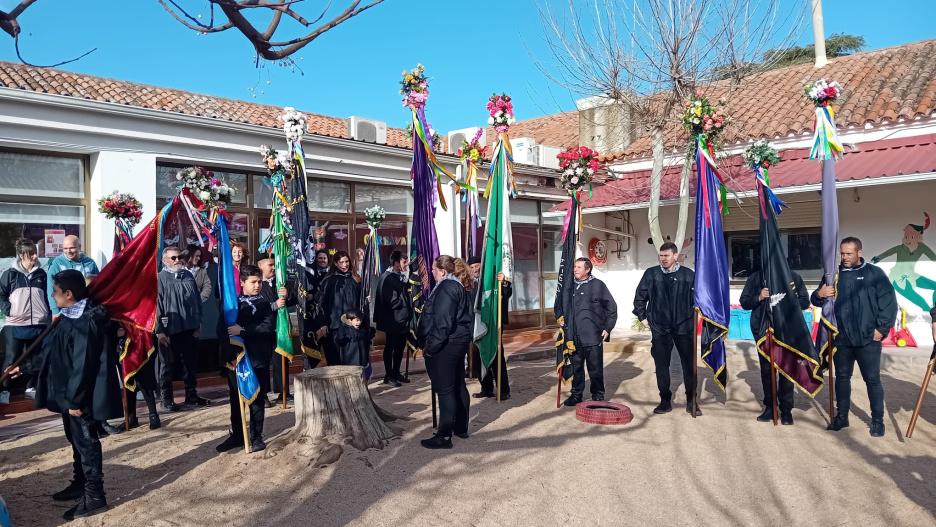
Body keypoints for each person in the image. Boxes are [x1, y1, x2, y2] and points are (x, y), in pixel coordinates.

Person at [7, 269, 122, 520]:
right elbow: (52, 350)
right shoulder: (68, 316)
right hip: (68, 391)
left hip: (81, 395)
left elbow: (84, 363)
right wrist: (23, 367)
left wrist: (76, 400)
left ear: (69, 294)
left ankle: (95, 495)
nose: (52, 295)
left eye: (55, 291)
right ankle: (80, 481)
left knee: (86, 440)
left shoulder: (88, 319)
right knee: (75, 438)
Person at [813, 236, 897, 437]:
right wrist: (819, 294)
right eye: (842, 253)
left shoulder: (874, 274)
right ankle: (842, 417)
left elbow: (889, 303)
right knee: (842, 378)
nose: (844, 257)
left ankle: (878, 421)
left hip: (868, 339)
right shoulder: (833, 275)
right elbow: (817, 300)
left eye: (849, 253)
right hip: (841, 340)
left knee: (872, 380)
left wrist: (881, 330)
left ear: (859, 252)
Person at [216, 265, 285, 453]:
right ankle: (238, 434)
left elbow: (267, 327)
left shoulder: (263, 304)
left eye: (260, 282)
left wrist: (244, 331)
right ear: (242, 282)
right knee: (236, 399)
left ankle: (256, 436)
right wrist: (229, 357)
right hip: (236, 361)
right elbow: (222, 331)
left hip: (257, 359)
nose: (257, 286)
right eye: (253, 282)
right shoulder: (232, 305)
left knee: (257, 398)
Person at [417, 255, 475, 449]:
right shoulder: (457, 285)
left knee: (446, 389)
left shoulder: (447, 287)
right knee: (457, 384)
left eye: (434, 269)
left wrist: (431, 348)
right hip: (456, 342)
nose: (432, 272)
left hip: (447, 344)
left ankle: (444, 435)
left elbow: (442, 322)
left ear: (442, 271)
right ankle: (460, 428)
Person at [739, 269, 810, 425]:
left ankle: (786, 410)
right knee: (766, 372)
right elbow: (744, 302)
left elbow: (805, 302)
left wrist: (790, 298)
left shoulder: (794, 277)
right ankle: (770, 407)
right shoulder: (755, 277)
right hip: (764, 333)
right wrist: (759, 297)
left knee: (786, 372)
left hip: (787, 332)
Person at [633, 243, 697, 415]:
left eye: (666, 256)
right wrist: (642, 317)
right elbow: (640, 296)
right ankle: (665, 400)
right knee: (661, 366)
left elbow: (698, 298)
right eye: (660, 256)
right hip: (660, 327)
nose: (662, 259)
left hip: (684, 326)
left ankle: (692, 400)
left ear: (675, 256)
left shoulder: (688, 275)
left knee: (689, 366)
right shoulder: (651, 274)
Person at [156, 246, 208, 411]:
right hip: (170, 329)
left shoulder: (188, 276)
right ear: (164, 260)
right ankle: (166, 399)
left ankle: (191, 395)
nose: (177, 260)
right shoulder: (160, 279)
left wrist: (199, 323)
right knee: (167, 365)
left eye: (178, 257)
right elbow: (157, 305)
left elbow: (197, 302)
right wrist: (160, 330)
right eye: (173, 258)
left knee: (190, 364)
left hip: (189, 328)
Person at [0, 238, 51, 405]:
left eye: (36, 253)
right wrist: (9, 309)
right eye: (31, 253)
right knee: (11, 358)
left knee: (35, 358)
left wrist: (47, 314)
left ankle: (31, 387)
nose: (36, 256)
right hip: (15, 323)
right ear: (22, 255)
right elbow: (1, 295)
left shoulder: (42, 274)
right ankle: (4, 391)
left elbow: (49, 295)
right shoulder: (10, 274)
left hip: (38, 323)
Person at [562, 257, 617, 406]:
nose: (575, 269)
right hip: (574, 335)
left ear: (588, 269)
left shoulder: (598, 285)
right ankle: (576, 395)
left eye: (579, 267)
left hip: (593, 334)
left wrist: (607, 328)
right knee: (576, 367)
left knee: (595, 368)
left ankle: (598, 395)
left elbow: (611, 307)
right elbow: (562, 305)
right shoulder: (569, 286)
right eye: (575, 267)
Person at [470, 264, 513, 401]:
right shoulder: (467, 282)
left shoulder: (492, 281)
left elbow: (505, 294)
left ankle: (504, 390)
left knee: (496, 356)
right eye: (471, 267)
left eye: (477, 266)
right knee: (478, 358)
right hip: (475, 326)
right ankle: (486, 389)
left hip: (493, 325)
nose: (475, 269)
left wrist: (504, 283)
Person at [258, 257, 297, 405]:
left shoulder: (280, 282)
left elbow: (293, 301)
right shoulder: (257, 283)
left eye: (275, 265)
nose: (273, 268)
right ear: (260, 265)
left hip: (280, 327)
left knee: (281, 360)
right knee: (263, 362)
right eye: (270, 265)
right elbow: (257, 306)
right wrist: (274, 305)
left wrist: (287, 295)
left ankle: (283, 391)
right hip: (264, 328)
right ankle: (263, 394)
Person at [314, 251, 361, 367]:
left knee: (351, 358)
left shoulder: (355, 279)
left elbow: (360, 300)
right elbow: (322, 303)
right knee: (335, 359)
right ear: (335, 263)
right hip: (335, 325)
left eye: (346, 262)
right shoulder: (329, 280)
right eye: (341, 262)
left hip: (352, 324)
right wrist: (324, 323)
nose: (344, 265)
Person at [375, 250, 411, 387]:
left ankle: (396, 371)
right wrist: (405, 301)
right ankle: (388, 374)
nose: (406, 264)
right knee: (390, 347)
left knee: (400, 346)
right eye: (404, 262)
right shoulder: (387, 278)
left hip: (401, 319)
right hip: (392, 319)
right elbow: (390, 300)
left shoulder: (398, 276)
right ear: (396, 263)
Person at [46, 235, 99, 316]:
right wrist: (55, 312)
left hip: (86, 312)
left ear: (79, 246)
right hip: (63, 313)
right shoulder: (56, 263)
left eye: (72, 248)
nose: (68, 251)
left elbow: (98, 287)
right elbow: (51, 290)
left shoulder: (90, 263)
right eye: (65, 248)